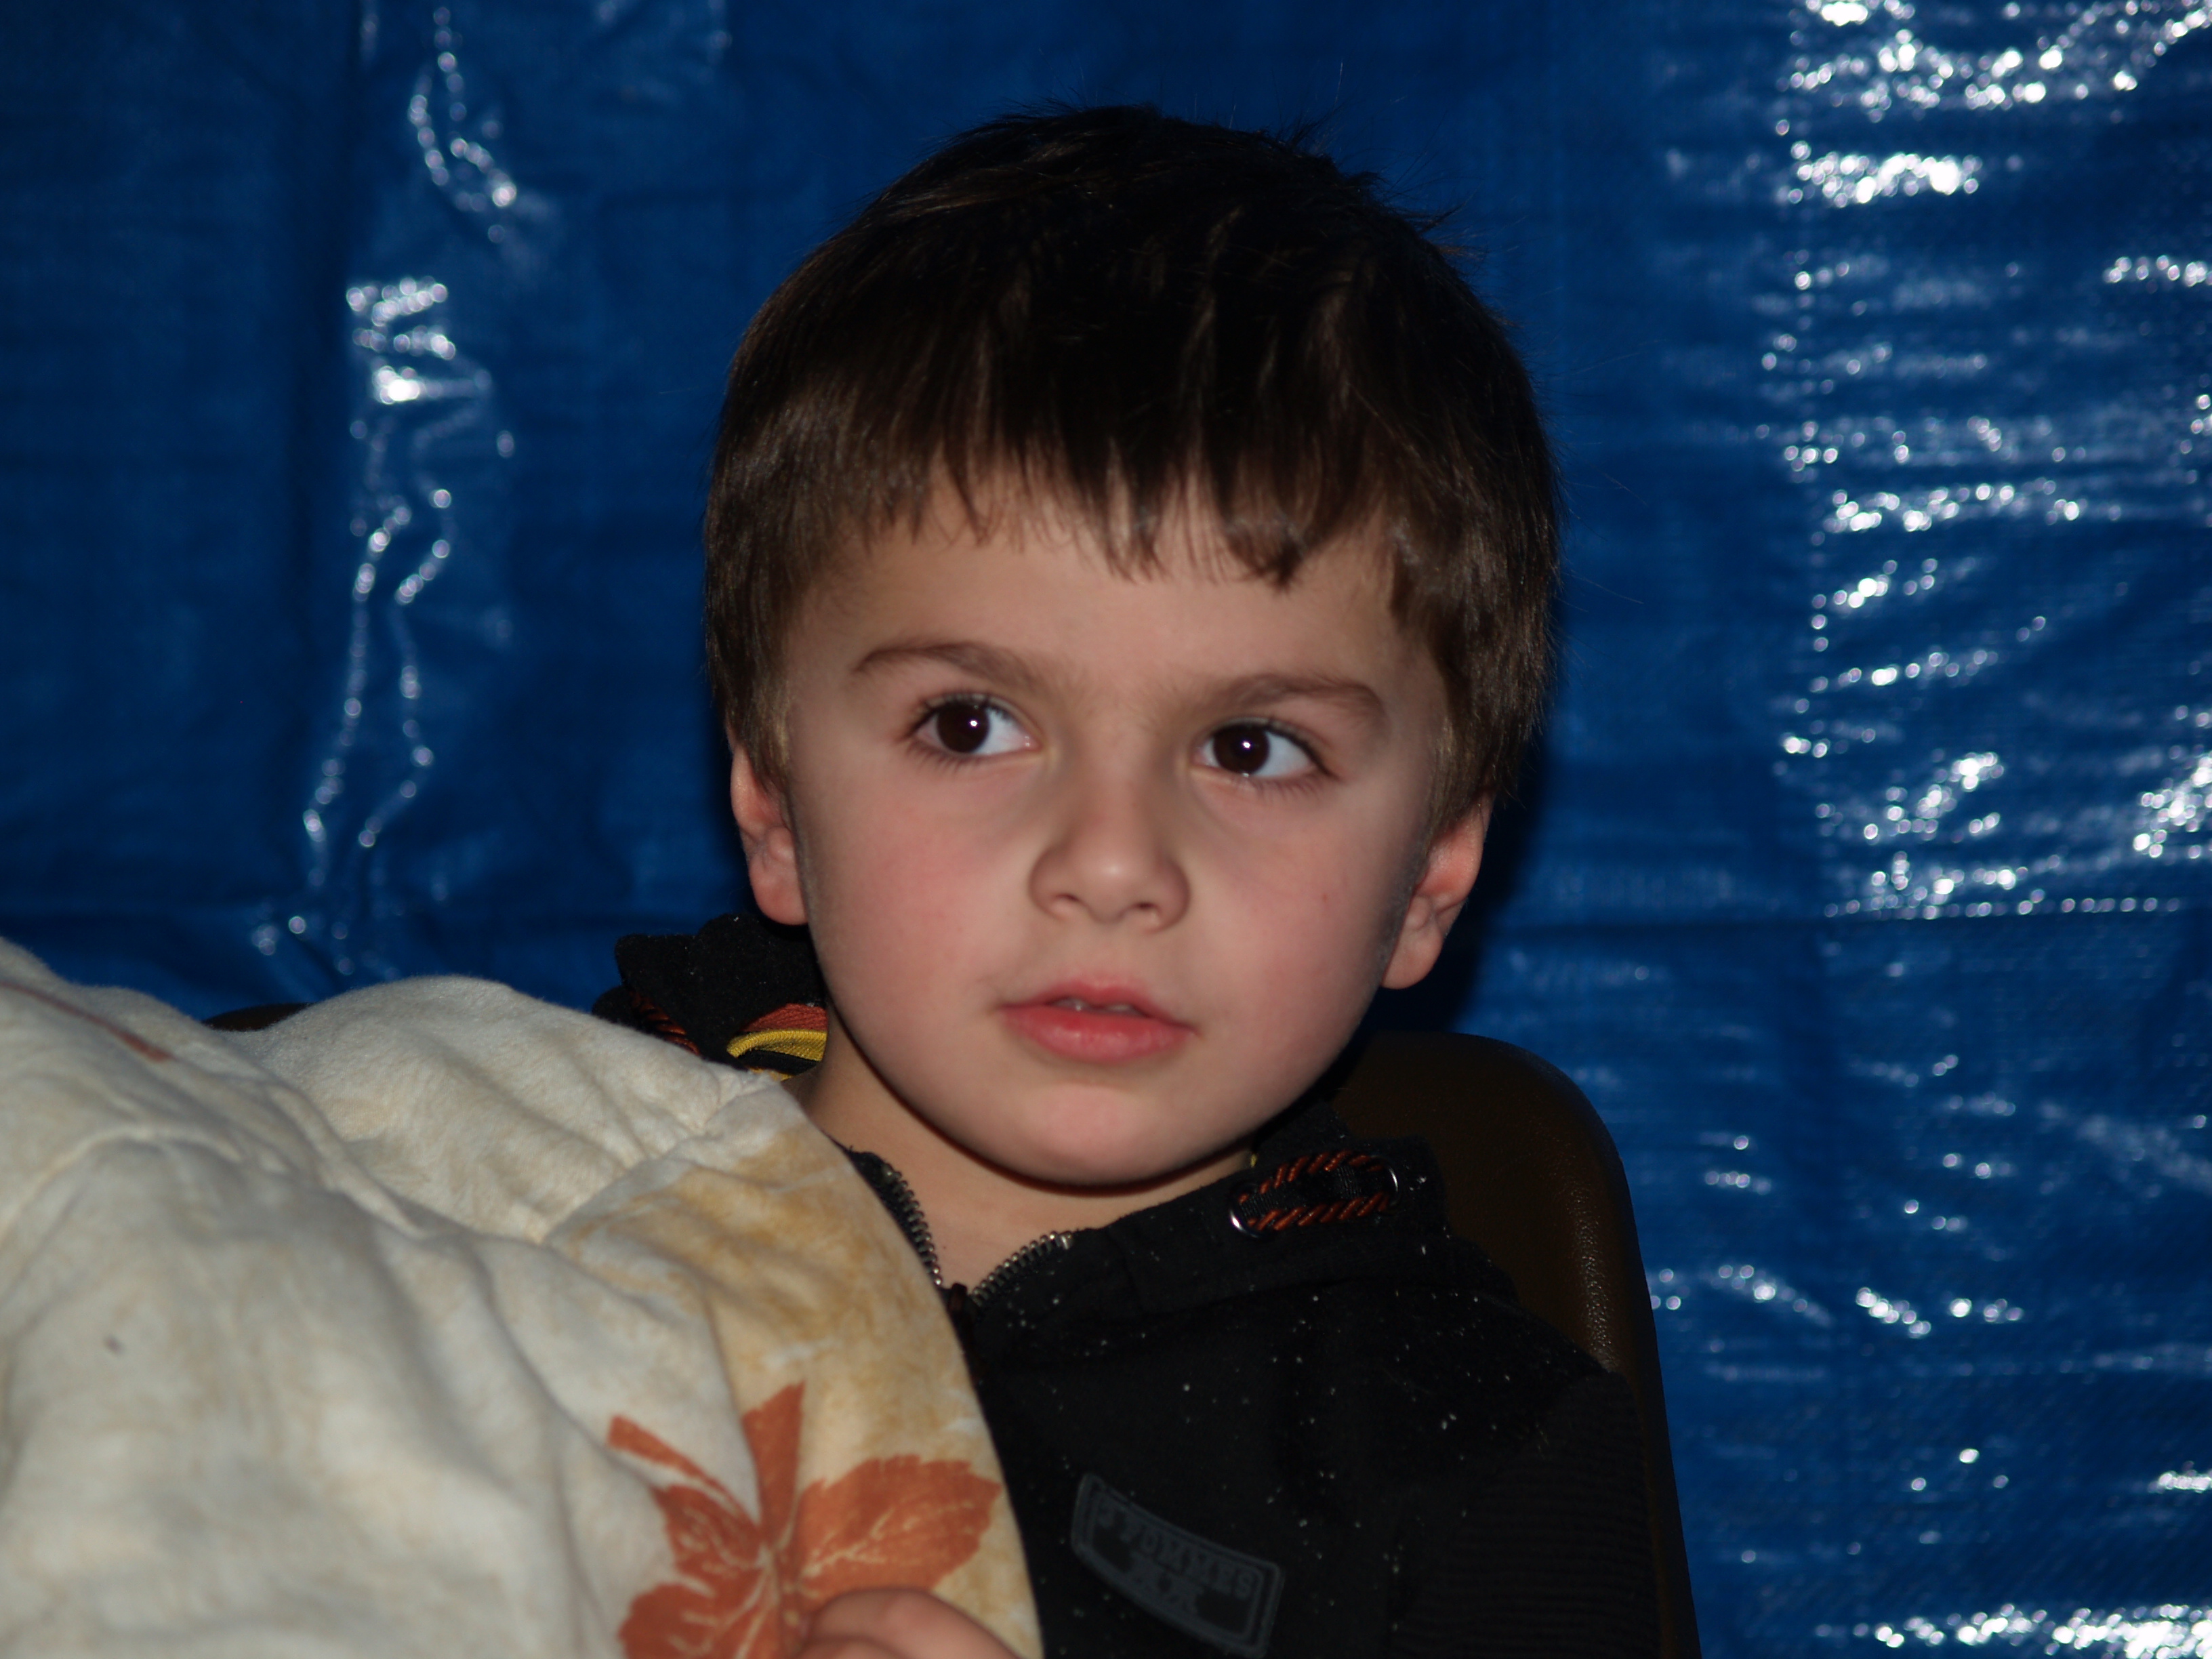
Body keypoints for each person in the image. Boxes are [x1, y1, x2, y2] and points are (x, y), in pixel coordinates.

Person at [600, 104, 1660, 1659]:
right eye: (971, 725)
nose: (1112, 866)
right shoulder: (500, 1193)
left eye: (1251, 749)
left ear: (1434, 870)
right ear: (772, 797)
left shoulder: (1484, 1463)